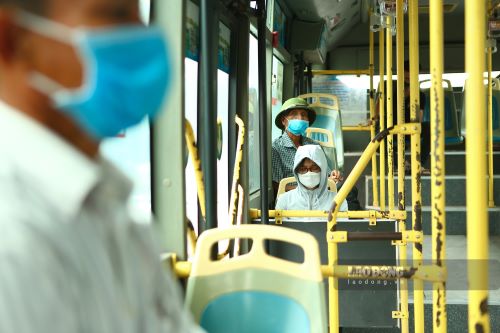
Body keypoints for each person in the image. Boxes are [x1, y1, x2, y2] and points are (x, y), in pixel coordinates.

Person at [0, 1, 202, 332]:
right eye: (117, 16)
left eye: (141, 18)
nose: (144, 37)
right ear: (11, 40)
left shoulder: (109, 205)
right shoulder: (11, 238)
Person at [272, 97, 362, 210]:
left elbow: (326, 172)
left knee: (349, 190)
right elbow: (276, 185)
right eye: (294, 115)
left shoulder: (313, 144)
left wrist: (333, 176)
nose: (300, 118)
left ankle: (352, 223)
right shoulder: (276, 148)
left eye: (303, 115)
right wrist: (305, 188)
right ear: (283, 120)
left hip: (321, 191)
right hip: (296, 195)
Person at [375, 60, 431, 173]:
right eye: (406, 73)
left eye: (412, 73)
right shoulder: (391, 91)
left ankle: (418, 163)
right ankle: (400, 163)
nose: (409, 76)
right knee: (379, 129)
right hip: (391, 128)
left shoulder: (420, 95)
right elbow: (377, 111)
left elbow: (418, 120)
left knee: (429, 128)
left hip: (409, 129)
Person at [276, 145, 348, 212]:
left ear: (323, 170)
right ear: (296, 172)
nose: (309, 173)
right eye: (303, 169)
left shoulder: (338, 201)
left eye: (314, 168)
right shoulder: (284, 201)